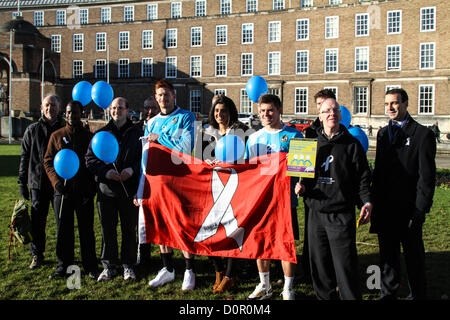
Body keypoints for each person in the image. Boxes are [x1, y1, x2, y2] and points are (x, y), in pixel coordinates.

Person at [295, 97, 372, 300]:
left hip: (340, 214)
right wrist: (301, 186)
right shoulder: (309, 144)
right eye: (327, 110)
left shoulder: (352, 145)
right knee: (320, 268)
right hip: (316, 214)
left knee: (345, 267)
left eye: (336, 110)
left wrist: (366, 201)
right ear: (320, 116)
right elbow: (304, 177)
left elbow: (363, 178)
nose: (332, 114)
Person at [370, 88, 436, 300]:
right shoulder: (382, 133)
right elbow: (379, 172)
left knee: (413, 257)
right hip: (385, 208)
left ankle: (417, 294)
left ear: (406, 104)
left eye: (395, 103)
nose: (390, 108)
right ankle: (388, 294)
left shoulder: (422, 134)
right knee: (388, 257)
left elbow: (426, 177)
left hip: (409, 209)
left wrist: (420, 209)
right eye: (387, 103)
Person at [245, 94, 303, 300]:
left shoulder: (295, 135)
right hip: (261, 201)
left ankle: (288, 287)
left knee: (286, 244)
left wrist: (301, 183)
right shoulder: (253, 138)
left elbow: (303, 170)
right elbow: (248, 171)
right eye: (262, 111)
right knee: (260, 243)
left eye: (270, 110)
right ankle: (265, 284)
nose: (265, 114)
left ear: (279, 110)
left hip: (286, 201)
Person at [144, 79, 197, 291]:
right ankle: (167, 269)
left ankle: (189, 270)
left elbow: (187, 145)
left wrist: (160, 137)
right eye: (160, 96)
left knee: (182, 226)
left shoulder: (186, 116)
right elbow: (146, 156)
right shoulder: (151, 122)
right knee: (161, 226)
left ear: (174, 96)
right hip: (156, 182)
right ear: (156, 99)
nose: (163, 99)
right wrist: (142, 187)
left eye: (167, 95)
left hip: (180, 180)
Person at [85, 97, 143, 282]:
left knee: (128, 230)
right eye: (114, 108)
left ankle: (128, 265)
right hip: (107, 190)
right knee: (107, 230)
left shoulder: (137, 134)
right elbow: (90, 159)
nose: (117, 111)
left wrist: (131, 169)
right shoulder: (101, 133)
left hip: (129, 190)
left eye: (120, 108)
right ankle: (109, 266)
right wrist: (107, 172)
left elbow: (143, 158)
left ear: (127, 110)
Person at [43, 101, 98, 279]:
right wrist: (56, 183)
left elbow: (94, 163)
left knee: (86, 230)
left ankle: (90, 265)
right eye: (68, 113)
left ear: (81, 113)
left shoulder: (89, 137)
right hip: (63, 191)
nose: (70, 116)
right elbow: (48, 161)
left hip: (83, 192)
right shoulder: (57, 136)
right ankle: (63, 265)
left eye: (74, 113)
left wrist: (91, 188)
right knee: (63, 230)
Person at [202, 94, 249, 294]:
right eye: (217, 111)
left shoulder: (241, 131)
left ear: (231, 112)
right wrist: (209, 162)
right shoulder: (206, 132)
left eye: (224, 111)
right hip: (212, 187)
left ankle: (230, 275)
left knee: (232, 231)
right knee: (209, 229)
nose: (220, 114)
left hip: (235, 186)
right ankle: (218, 270)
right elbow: (200, 158)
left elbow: (248, 157)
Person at [18, 94, 65, 269]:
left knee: (62, 221)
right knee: (38, 222)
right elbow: (24, 157)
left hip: (58, 183)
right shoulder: (32, 129)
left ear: (58, 108)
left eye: (53, 105)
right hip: (37, 183)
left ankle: (63, 255)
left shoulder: (64, 128)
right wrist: (22, 182)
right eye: (47, 105)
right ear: (41, 107)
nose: (50, 108)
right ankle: (37, 254)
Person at [300, 89, 337, 284]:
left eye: (325, 103)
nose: (321, 108)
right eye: (318, 105)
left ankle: (332, 272)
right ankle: (309, 270)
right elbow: (303, 163)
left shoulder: (338, 125)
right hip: (313, 190)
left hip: (334, 189)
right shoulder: (310, 131)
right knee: (311, 234)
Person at [135, 97, 160, 268]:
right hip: (138, 177)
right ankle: (142, 257)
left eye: (153, 108)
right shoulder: (136, 128)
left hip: (156, 179)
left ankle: (166, 259)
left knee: (157, 220)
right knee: (140, 222)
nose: (149, 111)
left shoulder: (161, 129)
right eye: (147, 108)